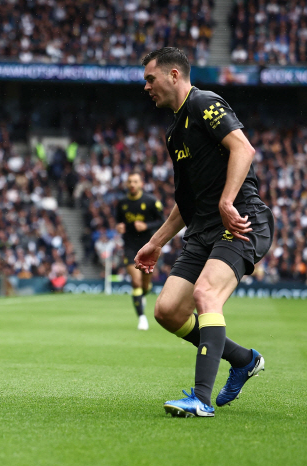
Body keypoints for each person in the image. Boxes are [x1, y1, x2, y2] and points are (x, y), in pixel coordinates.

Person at [136, 47, 274, 417]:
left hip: (240, 220)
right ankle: (243, 360)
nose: (146, 86)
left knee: (205, 294)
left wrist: (228, 202)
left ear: (174, 75)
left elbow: (243, 149)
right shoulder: (173, 133)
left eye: (151, 79)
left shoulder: (205, 103)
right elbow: (189, 201)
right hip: (204, 229)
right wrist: (155, 243)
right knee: (167, 310)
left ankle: (200, 398)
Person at [115, 172, 164, 330]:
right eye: (129, 181)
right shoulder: (122, 203)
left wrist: (146, 226)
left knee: (145, 285)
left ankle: (142, 295)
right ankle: (142, 317)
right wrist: (119, 226)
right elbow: (119, 221)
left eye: (135, 181)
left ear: (141, 184)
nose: (132, 184)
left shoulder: (150, 201)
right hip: (129, 246)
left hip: (147, 246)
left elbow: (163, 221)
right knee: (136, 282)